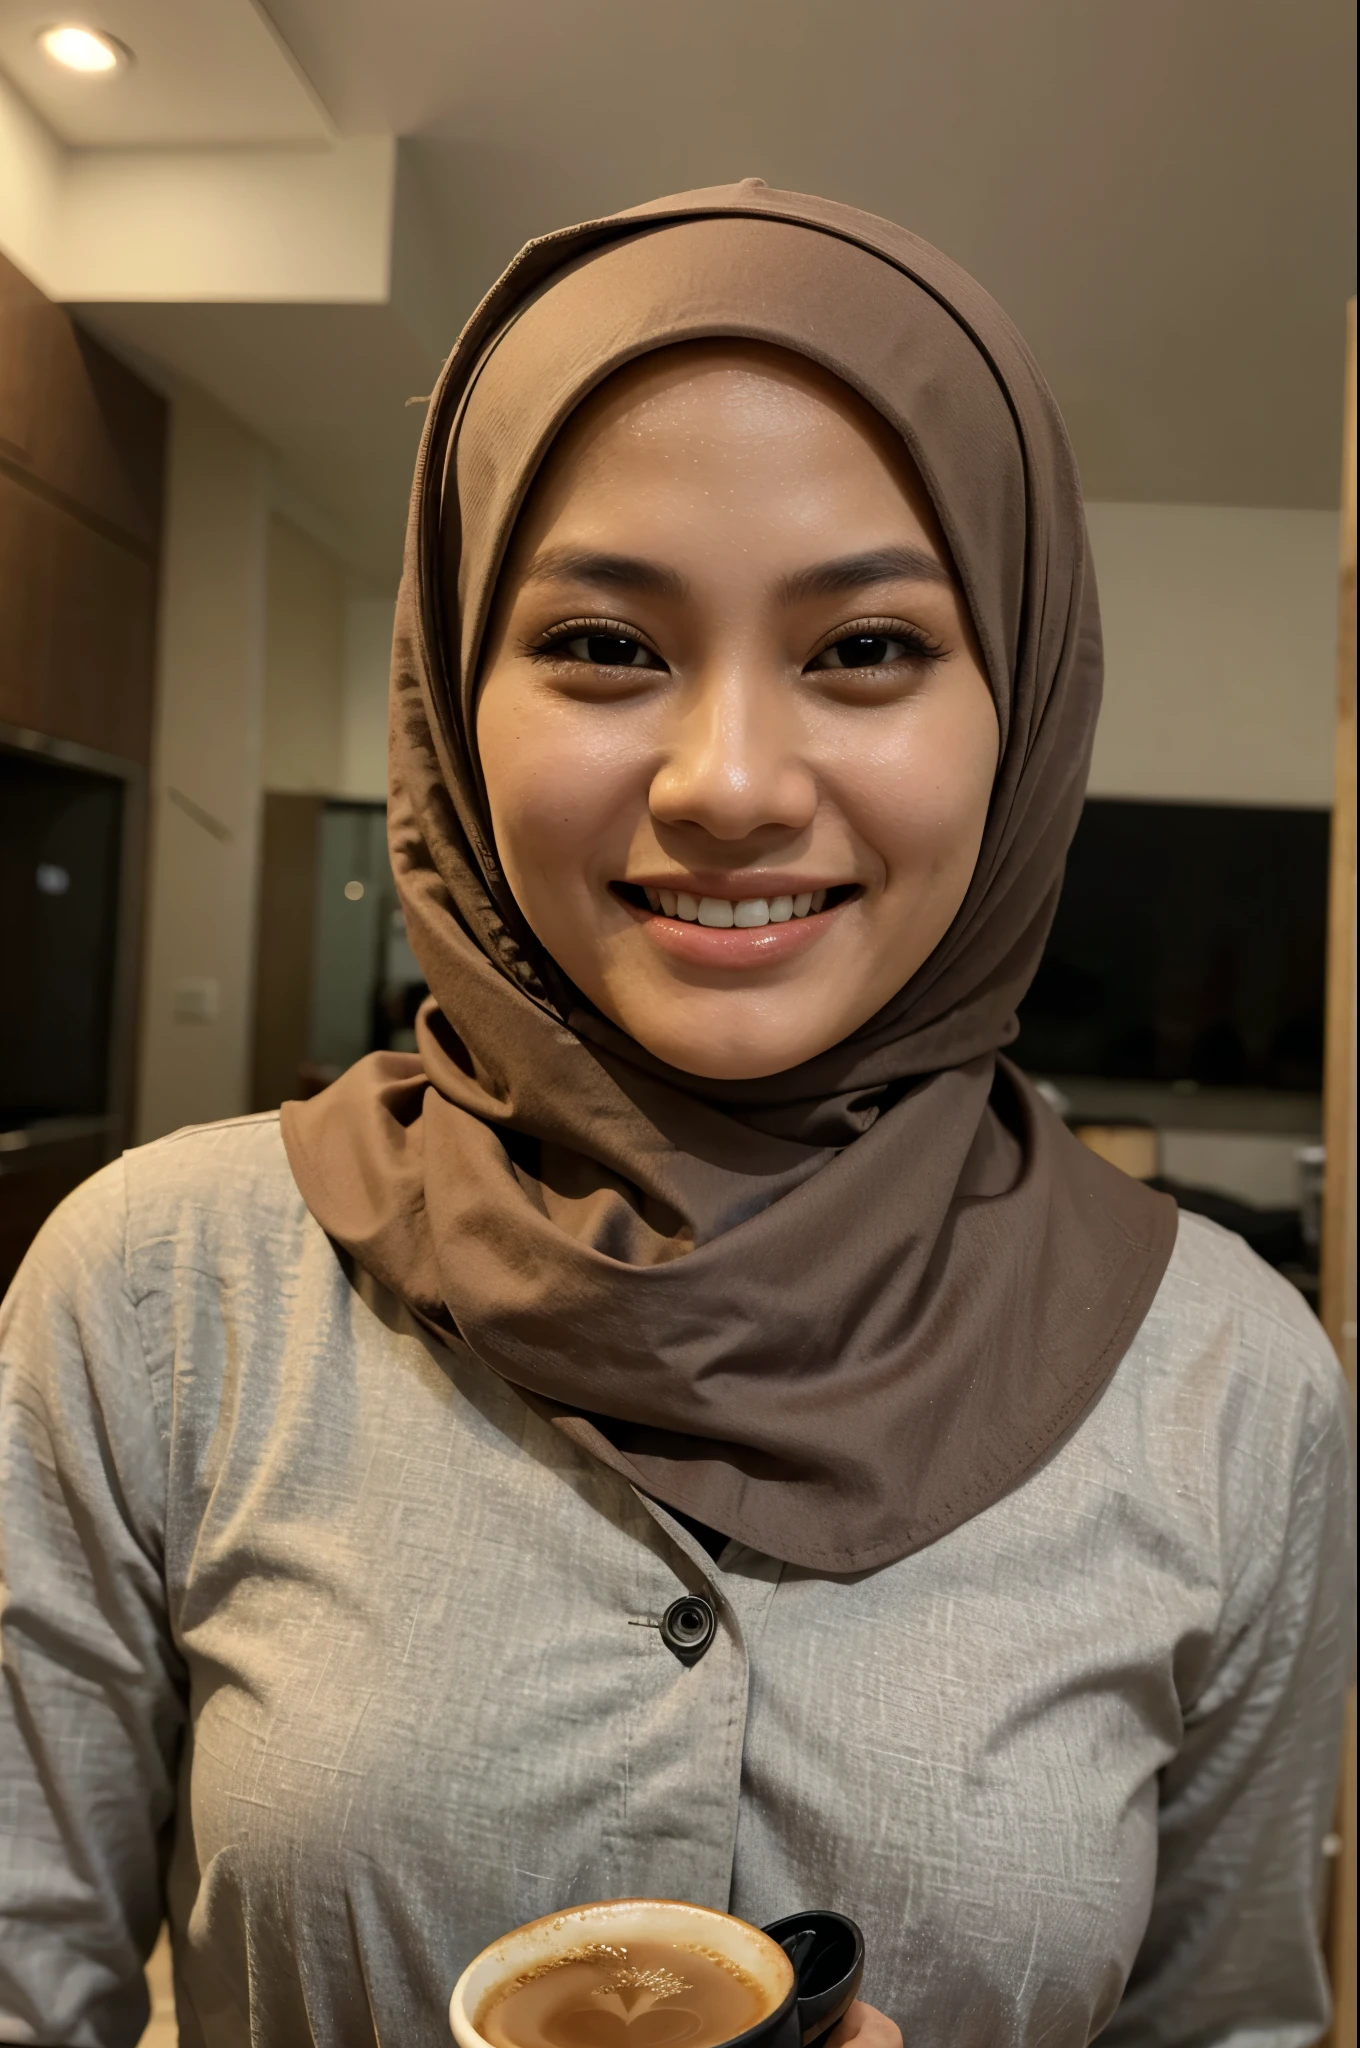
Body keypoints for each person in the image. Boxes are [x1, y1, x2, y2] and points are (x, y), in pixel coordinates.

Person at [0, 181, 1352, 2048]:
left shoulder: (1229, 1383)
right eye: (607, 648)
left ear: (1023, 703)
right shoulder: (164, 1298)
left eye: (866, 645)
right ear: (455, 692)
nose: (727, 783)